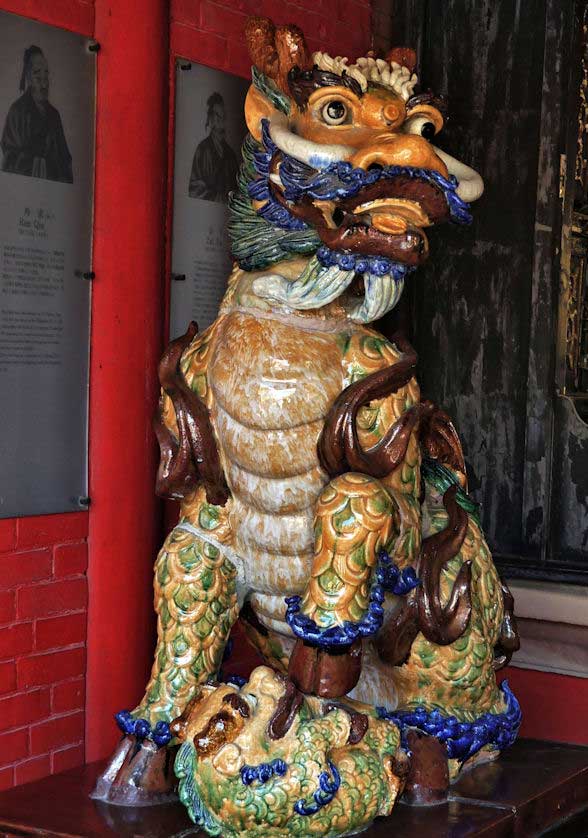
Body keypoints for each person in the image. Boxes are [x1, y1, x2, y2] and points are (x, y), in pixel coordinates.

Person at [1, 45, 73, 183]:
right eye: (37, 75)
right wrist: (36, 163)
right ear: (28, 77)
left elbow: (65, 159)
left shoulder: (54, 115)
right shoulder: (17, 111)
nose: (44, 82)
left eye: (46, 74)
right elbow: (9, 157)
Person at [188, 91, 238, 202]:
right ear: (210, 118)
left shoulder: (231, 155)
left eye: (223, 116)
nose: (220, 121)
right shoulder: (202, 150)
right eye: (217, 116)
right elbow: (194, 189)